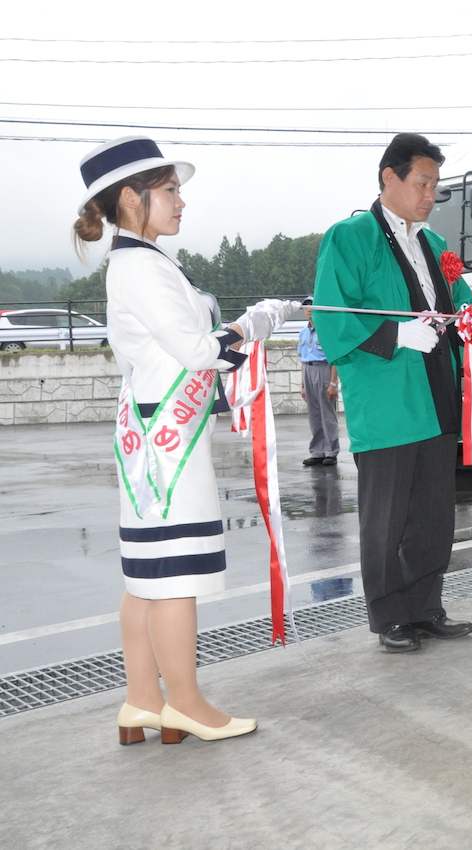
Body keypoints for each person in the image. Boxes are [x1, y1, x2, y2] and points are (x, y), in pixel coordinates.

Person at [73, 136, 290, 743]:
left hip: (154, 433)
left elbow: (179, 352)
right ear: (130, 197)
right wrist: (256, 323)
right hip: (168, 446)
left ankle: (144, 700)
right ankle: (185, 703)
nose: (180, 203)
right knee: (173, 576)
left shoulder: (140, 261)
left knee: (147, 574)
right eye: (170, 191)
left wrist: (237, 346)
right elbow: (198, 352)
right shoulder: (140, 266)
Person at [311, 133, 472, 653]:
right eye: (422, 183)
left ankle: (427, 607)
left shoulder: (434, 245)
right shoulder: (351, 236)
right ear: (389, 178)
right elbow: (332, 315)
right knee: (386, 517)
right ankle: (390, 617)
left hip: (435, 391)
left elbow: (458, 299)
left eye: (435, 186)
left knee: (434, 513)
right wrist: (394, 332)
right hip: (387, 397)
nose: (430, 195)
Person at [298, 296, 340, 466]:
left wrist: (333, 383)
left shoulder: (327, 330)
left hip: (324, 370)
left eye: (312, 306)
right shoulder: (303, 332)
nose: (308, 309)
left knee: (327, 413)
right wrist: (302, 385)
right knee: (314, 414)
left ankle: (331, 451)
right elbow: (302, 359)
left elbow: (334, 359)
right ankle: (317, 451)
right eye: (306, 307)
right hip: (308, 370)